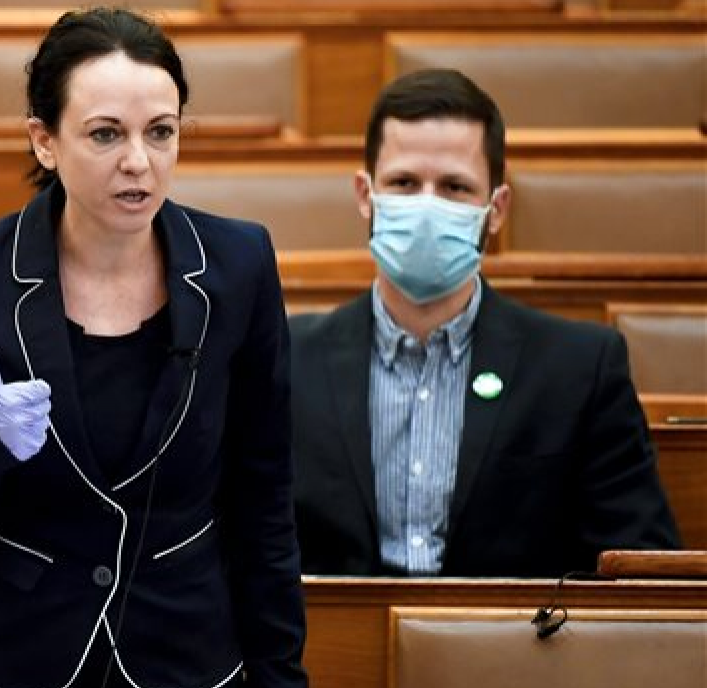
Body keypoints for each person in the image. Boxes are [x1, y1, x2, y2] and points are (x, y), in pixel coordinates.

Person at [0, 8, 307, 688]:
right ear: (44, 140)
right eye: (106, 134)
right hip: (3, 671)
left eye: (161, 132)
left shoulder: (238, 267)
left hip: (183, 667)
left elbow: (263, 499)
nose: (138, 161)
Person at [290, 68, 681, 578]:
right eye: (404, 183)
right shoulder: (286, 359)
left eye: (455, 187)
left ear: (496, 209)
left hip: (518, 631)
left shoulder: (580, 370)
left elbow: (641, 570)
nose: (427, 205)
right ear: (366, 195)